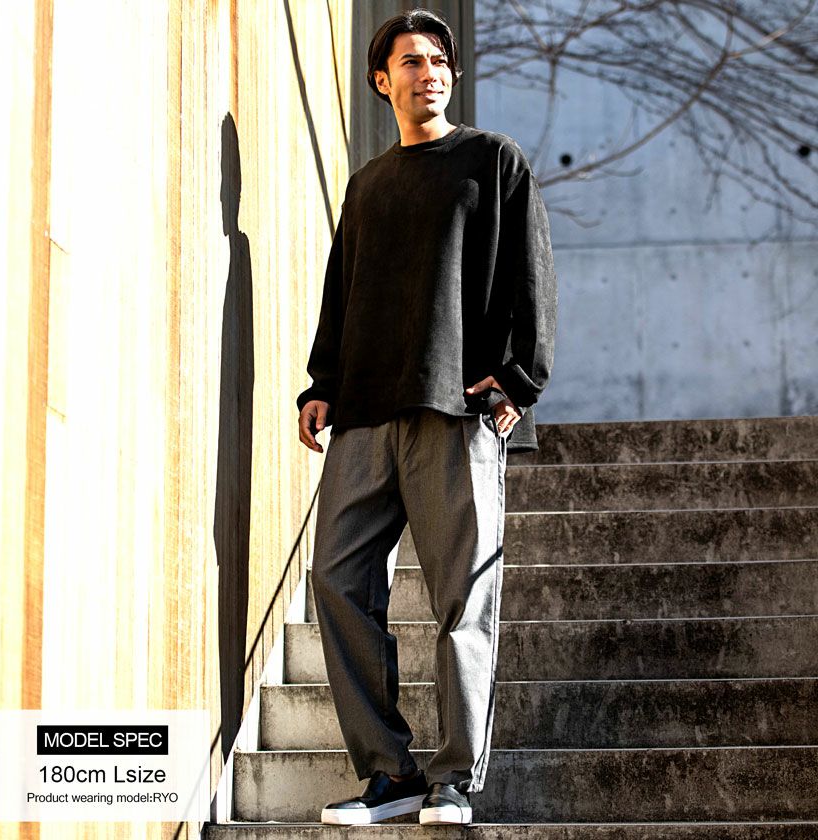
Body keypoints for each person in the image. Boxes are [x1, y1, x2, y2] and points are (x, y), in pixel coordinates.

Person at [295, 7, 557, 826]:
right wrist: (323, 382)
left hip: (455, 408)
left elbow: (531, 275)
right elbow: (343, 292)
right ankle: (389, 772)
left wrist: (517, 378)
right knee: (336, 579)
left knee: (461, 598)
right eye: (411, 61)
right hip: (366, 414)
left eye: (439, 60)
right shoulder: (367, 185)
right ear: (383, 82)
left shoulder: (492, 162)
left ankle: (451, 780)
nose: (429, 73)